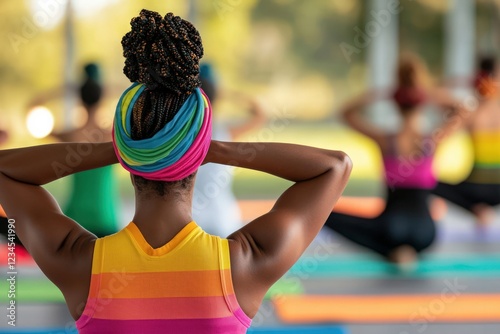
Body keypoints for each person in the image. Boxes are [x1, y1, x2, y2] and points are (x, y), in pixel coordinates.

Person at [0, 10, 352, 333]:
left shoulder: (79, 261)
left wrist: (122, 146)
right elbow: (333, 167)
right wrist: (214, 148)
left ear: (126, 148)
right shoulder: (244, 264)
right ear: (200, 149)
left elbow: (5, 170)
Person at [324, 53, 464, 266]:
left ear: (396, 104)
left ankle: (391, 251)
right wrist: (426, 92)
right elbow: (461, 111)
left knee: (325, 215)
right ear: (421, 104)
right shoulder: (432, 141)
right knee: (395, 232)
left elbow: (346, 113)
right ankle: (403, 253)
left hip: (390, 228)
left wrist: (383, 93)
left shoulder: (386, 141)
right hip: (426, 233)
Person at [31, 63, 121, 238]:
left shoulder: (70, 135)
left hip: (74, 218)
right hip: (104, 217)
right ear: (102, 96)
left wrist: (67, 89)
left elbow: (34, 105)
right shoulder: (114, 134)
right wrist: (107, 89)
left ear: (80, 98)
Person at [193, 63, 266, 237]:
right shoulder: (225, 131)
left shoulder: (180, 133)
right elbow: (260, 114)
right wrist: (224, 93)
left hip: (191, 218)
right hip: (222, 218)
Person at [433, 56, 500, 226]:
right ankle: (481, 209)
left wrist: (464, 81)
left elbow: (436, 93)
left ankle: (477, 208)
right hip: (481, 188)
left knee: (428, 183)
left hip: (474, 191)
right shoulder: (470, 110)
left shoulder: (470, 111)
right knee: (430, 182)